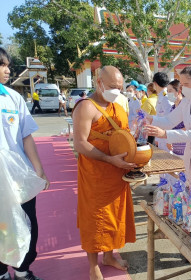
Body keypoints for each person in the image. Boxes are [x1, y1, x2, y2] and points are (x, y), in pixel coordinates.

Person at [72, 66, 136, 280]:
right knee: (95, 220)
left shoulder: (118, 107)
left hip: (117, 174)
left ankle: (109, 257)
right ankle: (93, 266)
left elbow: (124, 138)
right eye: (111, 87)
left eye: (119, 87)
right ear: (98, 82)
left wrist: (133, 158)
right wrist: (108, 159)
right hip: (95, 174)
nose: (116, 91)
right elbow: (80, 144)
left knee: (113, 219)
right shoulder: (86, 107)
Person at [0, 47, 49, 280]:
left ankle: (22, 270)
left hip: (19, 175)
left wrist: (38, 170)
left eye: (8, 65)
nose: (7, 70)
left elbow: (26, 136)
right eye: (2, 65)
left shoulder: (13, 97)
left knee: (28, 221)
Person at [152, 72, 172, 151]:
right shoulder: (161, 96)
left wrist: (169, 140)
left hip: (165, 137)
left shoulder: (165, 97)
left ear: (155, 83)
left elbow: (170, 120)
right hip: (161, 136)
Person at [166, 79, 186, 156]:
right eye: (167, 91)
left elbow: (189, 127)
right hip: (175, 148)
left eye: (170, 91)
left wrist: (171, 135)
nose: (168, 93)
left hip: (186, 147)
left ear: (179, 92)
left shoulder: (185, 106)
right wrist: (169, 139)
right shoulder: (173, 108)